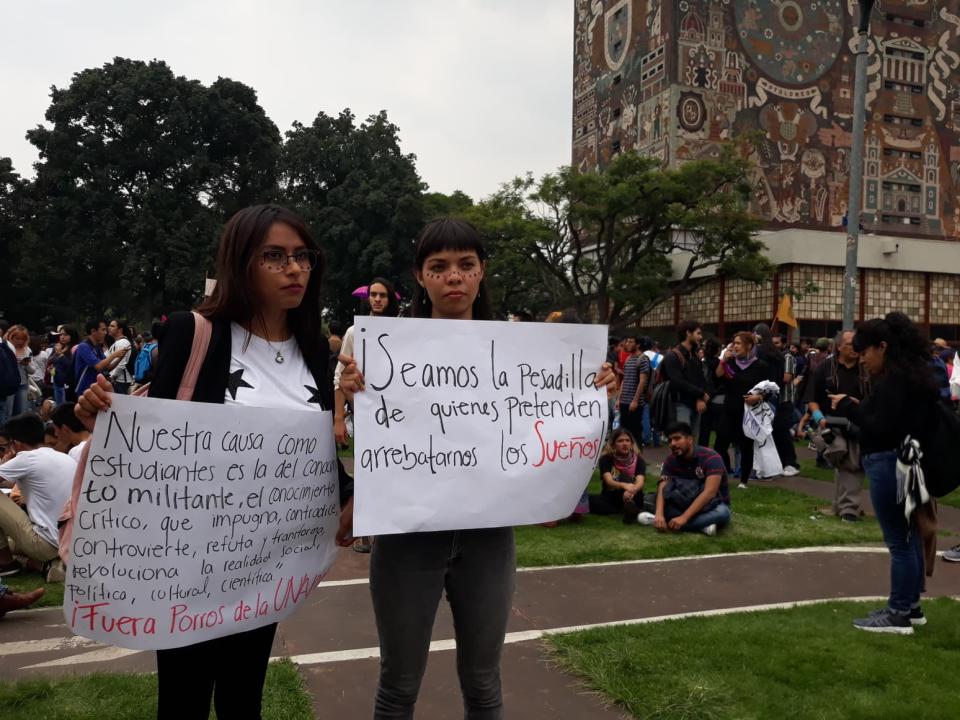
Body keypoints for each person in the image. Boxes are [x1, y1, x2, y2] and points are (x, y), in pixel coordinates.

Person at [76, 204, 355, 719]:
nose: (294, 269)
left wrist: (348, 495)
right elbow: (154, 435)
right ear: (240, 263)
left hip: (267, 563)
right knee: (182, 701)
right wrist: (100, 417)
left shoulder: (315, 349)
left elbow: (309, 449)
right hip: (186, 561)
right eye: (274, 256)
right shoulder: (195, 332)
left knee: (243, 698)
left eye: (302, 256)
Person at [336, 217, 613, 719]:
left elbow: (557, 425)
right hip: (407, 537)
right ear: (420, 277)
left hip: (488, 537)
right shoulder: (387, 350)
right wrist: (351, 389)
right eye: (439, 267)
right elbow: (368, 427)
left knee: (484, 684)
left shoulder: (526, 353)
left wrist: (591, 392)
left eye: (466, 265)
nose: (454, 277)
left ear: (482, 271)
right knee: (398, 686)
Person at [832, 313, 939, 633]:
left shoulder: (894, 381)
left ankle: (899, 612)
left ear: (883, 347)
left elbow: (879, 425)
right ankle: (910, 606)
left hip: (889, 461)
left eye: (865, 353)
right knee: (910, 537)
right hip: (907, 461)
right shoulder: (915, 375)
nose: (863, 360)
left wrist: (849, 408)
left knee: (900, 540)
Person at [334, 277, 399, 554]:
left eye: (382, 295)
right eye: (373, 294)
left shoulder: (402, 331)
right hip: (365, 412)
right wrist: (339, 418)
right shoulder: (353, 332)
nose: (377, 299)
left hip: (396, 416)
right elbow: (339, 377)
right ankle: (363, 531)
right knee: (366, 471)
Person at [0, 413, 75, 578]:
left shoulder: (26, 458)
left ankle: (6, 564)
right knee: (12, 543)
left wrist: (4, 462)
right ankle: (45, 565)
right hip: (69, 541)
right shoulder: (64, 457)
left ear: (17, 443)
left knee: (12, 543)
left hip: (45, 543)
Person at [646, 421, 731, 536]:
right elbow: (662, 486)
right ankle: (702, 526)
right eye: (670, 440)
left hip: (711, 505)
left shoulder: (711, 457)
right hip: (681, 502)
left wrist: (684, 518)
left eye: (677, 439)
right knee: (646, 499)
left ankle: (665, 522)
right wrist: (659, 513)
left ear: (690, 440)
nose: (673, 444)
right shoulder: (670, 460)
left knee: (723, 513)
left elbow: (710, 493)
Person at [713, 332, 771, 489]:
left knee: (746, 446)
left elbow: (768, 390)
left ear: (749, 346)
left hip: (748, 413)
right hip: (729, 409)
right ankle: (720, 476)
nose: (735, 346)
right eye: (734, 343)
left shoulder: (761, 366)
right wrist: (723, 361)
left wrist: (757, 398)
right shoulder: (731, 363)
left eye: (738, 343)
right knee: (719, 445)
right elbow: (718, 377)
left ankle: (743, 481)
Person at [754, 324, 799, 476]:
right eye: (773, 343)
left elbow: (786, 378)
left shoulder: (787, 357)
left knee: (782, 431)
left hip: (784, 400)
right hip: (772, 399)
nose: (775, 346)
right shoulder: (766, 356)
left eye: (778, 343)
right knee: (773, 433)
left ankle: (791, 463)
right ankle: (778, 463)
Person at [660, 320, 709, 440]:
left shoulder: (695, 356)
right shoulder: (673, 356)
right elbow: (677, 382)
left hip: (696, 405)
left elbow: (701, 378)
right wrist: (701, 394)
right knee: (681, 440)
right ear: (688, 333)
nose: (701, 337)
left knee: (691, 442)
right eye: (698, 333)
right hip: (680, 404)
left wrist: (699, 398)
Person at [588, 428, 646, 523]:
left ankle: (629, 506)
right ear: (613, 444)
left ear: (631, 444)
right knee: (588, 501)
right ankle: (627, 509)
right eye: (620, 441)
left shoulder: (639, 460)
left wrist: (631, 490)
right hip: (612, 496)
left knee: (625, 477)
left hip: (633, 495)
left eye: (627, 440)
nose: (624, 443)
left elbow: (640, 481)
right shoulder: (605, 459)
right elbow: (609, 481)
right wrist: (624, 485)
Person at [74, 319, 124, 397]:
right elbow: (98, 366)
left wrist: (121, 357)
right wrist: (114, 355)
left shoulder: (97, 347)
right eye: (103, 330)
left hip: (96, 388)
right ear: (93, 331)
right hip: (84, 389)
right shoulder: (83, 346)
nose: (106, 332)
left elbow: (107, 368)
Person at [618, 335, 650, 445]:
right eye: (627, 341)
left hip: (634, 402)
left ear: (638, 345)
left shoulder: (643, 359)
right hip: (624, 401)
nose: (627, 344)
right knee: (623, 431)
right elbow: (624, 379)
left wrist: (635, 400)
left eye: (631, 342)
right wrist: (619, 398)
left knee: (635, 431)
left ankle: (637, 456)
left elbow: (642, 381)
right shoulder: (628, 359)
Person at [106, 319, 134, 395]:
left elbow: (122, 364)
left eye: (112, 326)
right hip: (118, 381)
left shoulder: (122, 342)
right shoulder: (117, 342)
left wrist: (112, 378)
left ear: (120, 329)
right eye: (109, 325)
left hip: (120, 381)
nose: (109, 328)